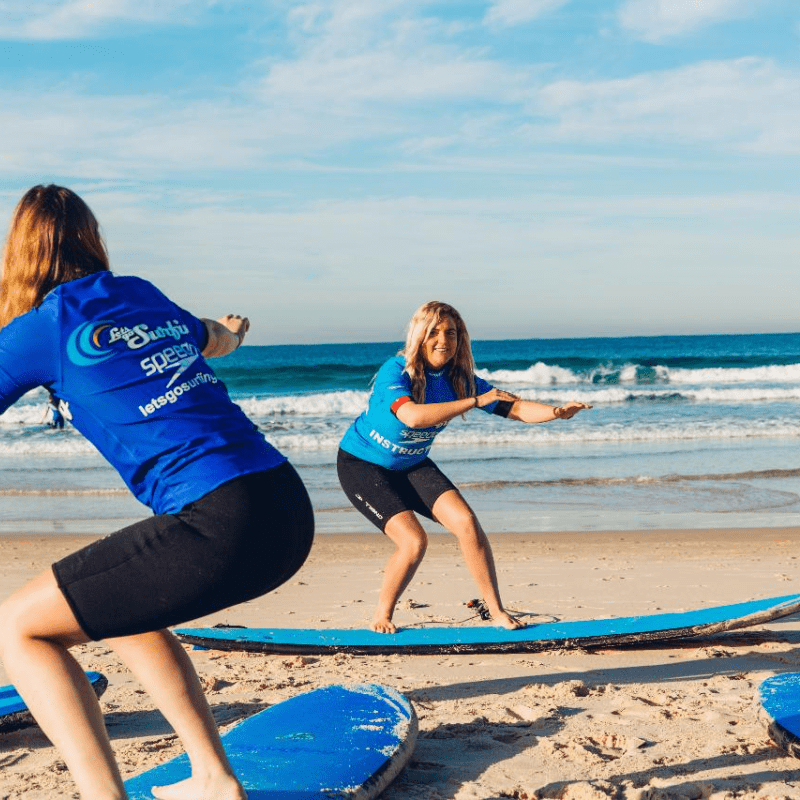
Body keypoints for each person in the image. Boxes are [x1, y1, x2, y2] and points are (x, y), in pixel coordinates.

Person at [0, 185, 314, 800]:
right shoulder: (141, 295)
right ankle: (213, 778)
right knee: (116, 608)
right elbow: (215, 338)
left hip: (219, 523)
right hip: (284, 506)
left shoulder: (42, 329)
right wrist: (232, 331)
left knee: (19, 629)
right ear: (92, 240)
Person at [338, 301, 591, 634]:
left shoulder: (459, 379)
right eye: (434, 332)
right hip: (363, 464)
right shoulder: (396, 371)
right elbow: (412, 415)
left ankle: (497, 611)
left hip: (411, 463)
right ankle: (383, 614)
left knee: (467, 523)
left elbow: (513, 408)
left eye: (452, 333)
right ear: (419, 335)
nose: (444, 340)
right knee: (414, 542)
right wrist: (474, 401)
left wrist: (556, 412)